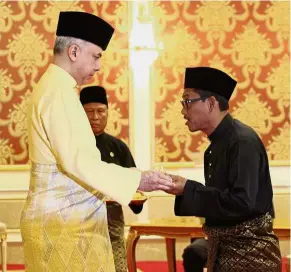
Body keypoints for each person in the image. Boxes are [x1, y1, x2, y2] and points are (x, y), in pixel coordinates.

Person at [20, 11, 173, 272]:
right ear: (74, 51)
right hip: (62, 226)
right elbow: (78, 161)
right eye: (96, 56)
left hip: (63, 223)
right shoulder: (59, 93)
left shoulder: (55, 87)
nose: (99, 66)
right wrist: (138, 178)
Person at [165, 67, 281, 271]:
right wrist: (185, 189)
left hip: (249, 256)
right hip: (226, 250)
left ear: (210, 103)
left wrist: (188, 189)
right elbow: (222, 200)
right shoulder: (218, 145)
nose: (183, 110)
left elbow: (241, 203)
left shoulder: (242, 141)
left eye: (187, 101)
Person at [80, 85, 143, 272]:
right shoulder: (73, 146)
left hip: (112, 222)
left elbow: (134, 186)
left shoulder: (118, 147)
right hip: (80, 223)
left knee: (118, 268)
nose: (96, 117)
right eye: (89, 112)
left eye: (101, 111)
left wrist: (136, 199)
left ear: (108, 112)